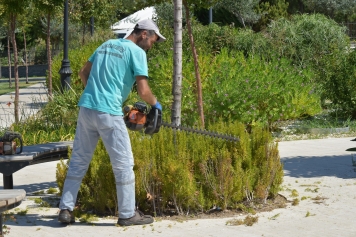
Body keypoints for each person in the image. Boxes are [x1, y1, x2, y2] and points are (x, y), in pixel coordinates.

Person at [58, 19, 166, 226]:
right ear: (144, 34)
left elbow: (83, 73)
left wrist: (96, 95)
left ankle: (66, 209)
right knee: (124, 164)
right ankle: (127, 214)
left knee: (79, 160)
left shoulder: (106, 45)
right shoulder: (137, 53)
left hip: (87, 108)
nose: (152, 45)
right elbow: (143, 91)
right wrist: (157, 105)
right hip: (108, 112)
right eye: (153, 39)